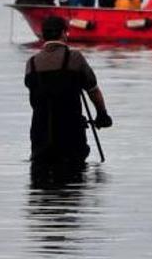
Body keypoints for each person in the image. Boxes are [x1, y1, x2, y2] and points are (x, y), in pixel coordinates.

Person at [25, 16, 112, 167]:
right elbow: (93, 90)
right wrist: (102, 115)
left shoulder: (31, 63)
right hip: (71, 136)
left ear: (44, 35)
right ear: (64, 33)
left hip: (41, 136)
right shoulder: (75, 58)